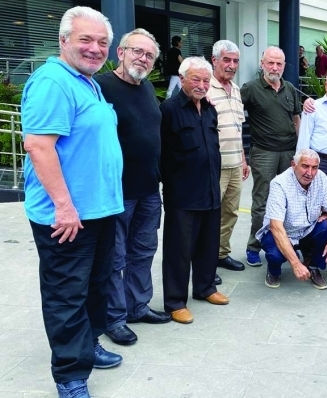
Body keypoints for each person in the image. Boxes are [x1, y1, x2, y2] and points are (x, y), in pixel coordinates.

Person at [21, 6, 123, 397]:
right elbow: (38, 146)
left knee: (95, 287)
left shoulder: (86, 81)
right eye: (86, 39)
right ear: (64, 40)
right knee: (66, 295)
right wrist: (64, 206)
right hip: (67, 216)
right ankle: (70, 376)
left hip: (98, 210)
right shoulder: (53, 81)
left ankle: (88, 345)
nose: (95, 48)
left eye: (102, 42)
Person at [94, 28, 171, 347]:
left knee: (143, 251)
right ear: (120, 53)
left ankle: (137, 306)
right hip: (115, 193)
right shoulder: (101, 87)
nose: (143, 58)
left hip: (149, 190)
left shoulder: (147, 91)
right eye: (137, 51)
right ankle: (114, 317)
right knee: (116, 257)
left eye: (149, 55)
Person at [160, 56, 229, 325]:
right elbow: (161, 152)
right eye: (196, 79)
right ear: (182, 79)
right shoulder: (168, 109)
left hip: (210, 188)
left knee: (208, 244)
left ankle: (205, 288)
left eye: (205, 80)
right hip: (183, 194)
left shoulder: (210, 110)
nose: (201, 85)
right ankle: (175, 301)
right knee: (179, 250)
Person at [241, 46, 302, 267]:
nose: (275, 67)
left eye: (279, 64)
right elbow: (236, 115)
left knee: (290, 200)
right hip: (264, 153)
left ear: (284, 66)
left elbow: (297, 120)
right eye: (270, 63)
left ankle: (286, 243)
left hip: (289, 153)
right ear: (262, 63)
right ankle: (253, 247)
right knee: (262, 202)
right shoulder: (250, 88)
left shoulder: (290, 89)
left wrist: (300, 151)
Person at [255, 149, 327, 290]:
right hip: (283, 232)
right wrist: (295, 264)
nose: (310, 173)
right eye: (305, 166)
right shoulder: (279, 183)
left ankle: (313, 267)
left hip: (307, 229)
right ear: (293, 164)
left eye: (314, 168)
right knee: (275, 255)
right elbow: (276, 227)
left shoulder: (321, 177)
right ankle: (274, 271)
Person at [208, 40, 250, 276]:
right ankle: (206, 260)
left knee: (230, 213)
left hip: (235, 164)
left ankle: (221, 254)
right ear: (214, 60)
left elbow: (238, 128)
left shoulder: (235, 90)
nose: (232, 65)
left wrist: (243, 159)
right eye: (227, 59)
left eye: (235, 61)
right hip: (215, 166)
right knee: (210, 215)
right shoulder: (206, 87)